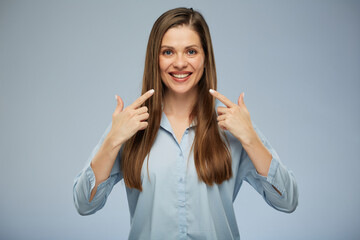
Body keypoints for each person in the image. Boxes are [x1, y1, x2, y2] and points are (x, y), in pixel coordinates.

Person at [73, 7, 298, 240]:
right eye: (168, 52)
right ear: (155, 59)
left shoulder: (232, 127)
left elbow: (287, 201)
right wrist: (112, 141)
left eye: (191, 51)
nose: (180, 63)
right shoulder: (129, 125)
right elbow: (84, 205)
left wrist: (250, 139)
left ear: (205, 58)